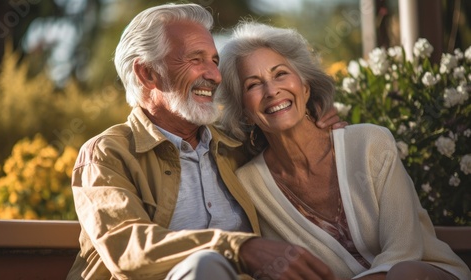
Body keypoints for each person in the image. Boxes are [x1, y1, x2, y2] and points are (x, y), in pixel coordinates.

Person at [67, 4, 345, 280]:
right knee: (205, 266)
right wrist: (238, 247)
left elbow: (292, 146)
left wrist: (315, 129)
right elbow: (128, 248)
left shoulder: (237, 147)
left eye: (214, 60)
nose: (215, 75)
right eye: (195, 59)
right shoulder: (106, 154)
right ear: (147, 73)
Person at [216, 21, 471, 280]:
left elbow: (403, 252)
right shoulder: (249, 186)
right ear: (245, 111)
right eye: (253, 85)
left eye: (280, 74)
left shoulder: (370, 143)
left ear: (305, 87)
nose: (272, 91)